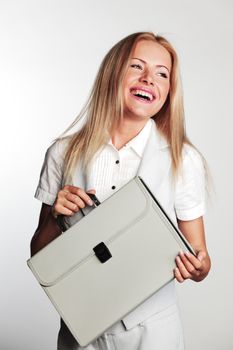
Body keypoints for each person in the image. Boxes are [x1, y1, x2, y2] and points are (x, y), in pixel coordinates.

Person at [30, 32, 211, 350]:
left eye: (161, 73)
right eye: (136, 66)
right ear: (113, 73)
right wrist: (55, 218)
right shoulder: (62, 152)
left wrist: (197, 267)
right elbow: (39, 253)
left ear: (168, 91)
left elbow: (201, 259)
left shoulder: (184, 160)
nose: (148, 79)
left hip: (154, 333)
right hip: (81, 330)